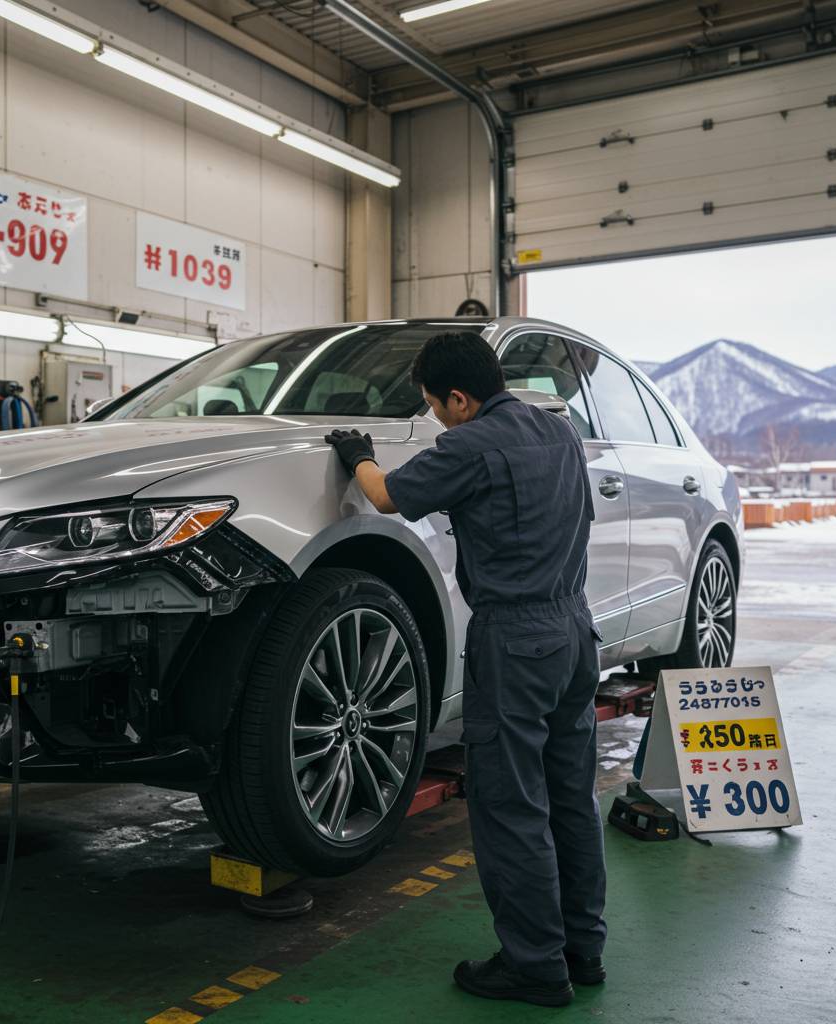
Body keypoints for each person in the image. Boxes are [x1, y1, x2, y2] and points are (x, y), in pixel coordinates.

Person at [325, 331, 607, 1008]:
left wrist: (357, 456)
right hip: (574, 629)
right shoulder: (559, 432)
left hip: (516, 640)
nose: (434, 418)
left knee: (511, 806)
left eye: (433, 405)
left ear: (459, 396)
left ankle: (534, 966)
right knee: (570, 796)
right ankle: (582, 950)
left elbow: (387, 496)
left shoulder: (471, 443)